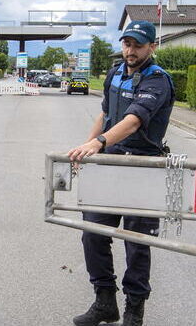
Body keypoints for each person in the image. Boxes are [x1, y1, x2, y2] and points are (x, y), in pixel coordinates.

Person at [67, 20, 174, 326]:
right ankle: (104, 302)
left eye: (138, 45)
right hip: (110, 165)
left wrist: (99, 142)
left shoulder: (157, 81)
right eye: (127, 44)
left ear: (151, 47)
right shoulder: (115, 72)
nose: (130, 50)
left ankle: (134, 311)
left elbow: (134, 120)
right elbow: (105, 114)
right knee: (93, 234)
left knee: (137, 242)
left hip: (142, 168)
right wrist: (90, 146)